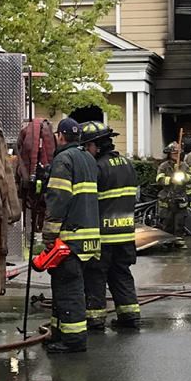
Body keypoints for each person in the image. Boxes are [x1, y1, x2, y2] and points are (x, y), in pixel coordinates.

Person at [42, 118, 101, 353]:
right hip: (88, 239)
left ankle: (73, 340)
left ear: (60, 136)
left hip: (69, 238)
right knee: (64, 286)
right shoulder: (88, 158)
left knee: (69, 289)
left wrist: (49, 236)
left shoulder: (63, 159)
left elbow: (58, 199)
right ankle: (59, 332)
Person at [80, 121, 141, 332]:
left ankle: (95, 319)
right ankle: (130, 315)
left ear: (96, 145)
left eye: (87, 146)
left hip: (103, 235)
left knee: (96, 276)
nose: (86, 150)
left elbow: (89, 200)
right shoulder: (127, 163)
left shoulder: (97, 167)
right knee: (121, 273)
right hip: (125, 233)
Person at [155, 141, 188, 247]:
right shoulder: (164, 166)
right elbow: (159, 179)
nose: (175, 155)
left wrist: (183, 178)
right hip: (167, 197)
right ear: (169, 154)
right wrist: (170, 180)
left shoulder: (184, 166)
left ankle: (179, 241)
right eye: (173, 153)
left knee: (180, 221)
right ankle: (167, 240)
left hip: (180, 196)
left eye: (177, 153)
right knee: (167, 220)